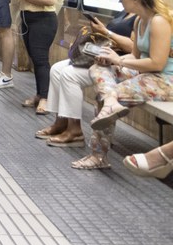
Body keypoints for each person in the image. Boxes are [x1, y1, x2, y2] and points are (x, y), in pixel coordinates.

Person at [72, 0, 173, 170]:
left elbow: (157, 63)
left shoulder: (159, 21)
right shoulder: (140, 20)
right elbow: (135, 56)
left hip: (165, 80)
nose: (120, 1)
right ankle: (110, 104)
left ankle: (98, 155)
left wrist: (119, 61)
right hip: (147, 75)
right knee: (99, 68)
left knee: (107, 96)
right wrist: (111, 59)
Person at [35, 9, 136, 146]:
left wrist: (106, 32)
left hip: (119, 63)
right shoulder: (123, 13)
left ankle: (75, 130)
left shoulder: (140, 18)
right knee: (56, 69)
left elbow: (132, 48)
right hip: (102, 57)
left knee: (69, 74)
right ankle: (61, 121)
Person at [9, 0, 59, 114]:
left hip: (43, 20)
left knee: (40, 59)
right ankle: (40, 94)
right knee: (34, 59)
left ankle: (46, 98)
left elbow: (50, 0)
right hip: (28, 19)